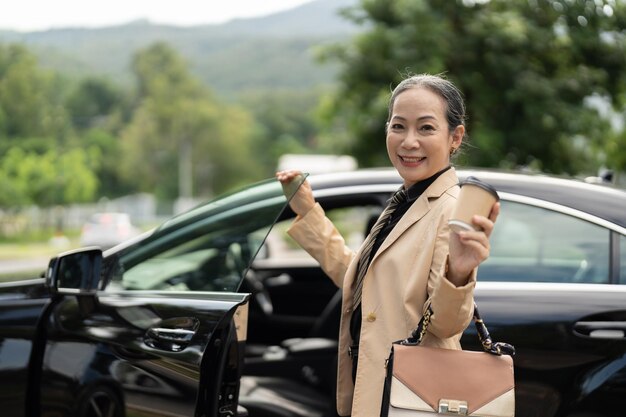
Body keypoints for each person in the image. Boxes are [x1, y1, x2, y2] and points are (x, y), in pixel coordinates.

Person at [275, 73, 499, 417]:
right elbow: (363, 280)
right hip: (385, 391)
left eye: (425, 128)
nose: (409, 141)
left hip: (411, 397)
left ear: (455, 137)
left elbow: (444, 325)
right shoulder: (405, 201)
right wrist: (309, 211)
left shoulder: (450, 207)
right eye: (398, 127)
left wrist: (459, 271)